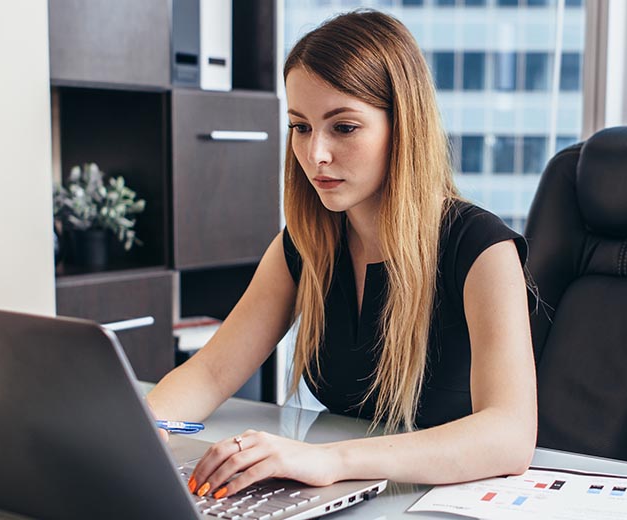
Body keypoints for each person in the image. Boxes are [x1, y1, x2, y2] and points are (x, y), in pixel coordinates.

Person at [145, 9, 537, 500]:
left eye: (344, 127)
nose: (315, 155)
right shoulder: (307, 243)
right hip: (353, 497)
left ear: (404, 126)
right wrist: (144, 428)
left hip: (444, 502)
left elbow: (510, 436)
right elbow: (212, 371)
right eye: (301, 127)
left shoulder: (482, 248)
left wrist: (329, 461)